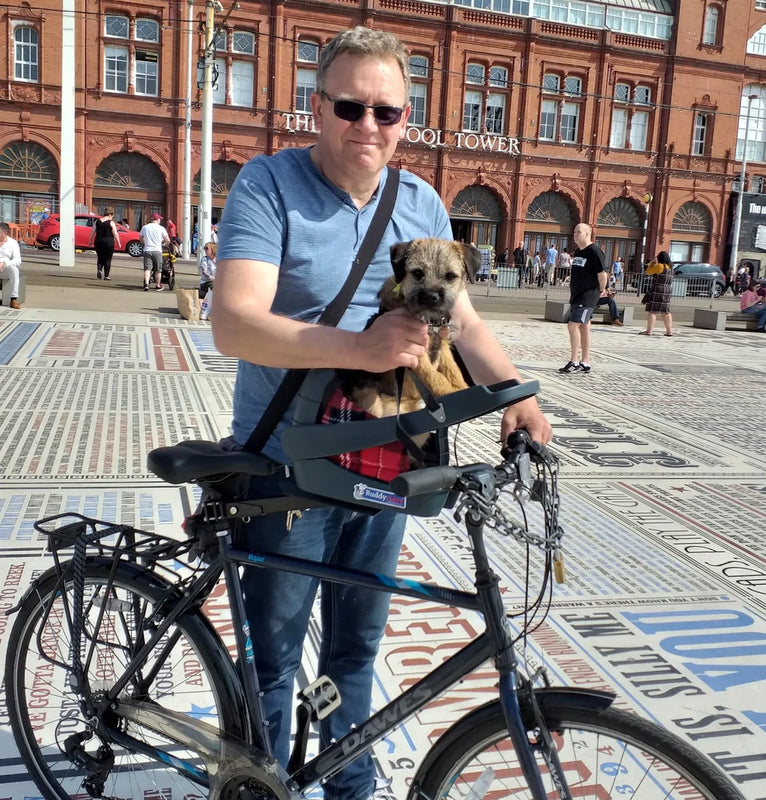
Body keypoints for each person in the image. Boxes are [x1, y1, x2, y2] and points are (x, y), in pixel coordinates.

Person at [212, 26, 552, 800]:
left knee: (354, 651)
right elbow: (234, 323)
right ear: (317, 108)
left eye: (387, 112)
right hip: (287, 468)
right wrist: (362, 349)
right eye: (350, 106)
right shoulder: (270, 185)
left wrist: (520, 394)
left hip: (382, 464)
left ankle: (347, 786)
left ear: (406, 119)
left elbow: (461, 319)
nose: (368, 125)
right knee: (274, 658)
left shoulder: (420, 201)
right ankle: (261, 786)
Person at [559, 222, 606, 374]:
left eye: (578, 232)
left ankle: (574, 361)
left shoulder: (594, 251)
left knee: (572, 325)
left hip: (588, 295)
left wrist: (600, 290)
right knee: (584, 326)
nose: (575, 234)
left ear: (587, 234)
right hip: (577, 294)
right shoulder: (578, 252)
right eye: (574, 232)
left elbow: (602, 274)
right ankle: (585, 362)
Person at [640, 250, 674, 336]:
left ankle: (649, 331)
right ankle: (669, 331)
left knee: (652, 311)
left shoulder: (659, 266)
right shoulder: (670, 268)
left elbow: (647, 272)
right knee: (666, 311)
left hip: (657, 290)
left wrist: (652, 263)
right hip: (667, 290)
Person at [139, 212, 169, 291]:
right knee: (158, 270)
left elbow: (141, 238)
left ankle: (146, 284)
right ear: (158, 220)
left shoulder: (145, 227)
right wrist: (164, 243)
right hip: (157, 250)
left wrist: (145, 243)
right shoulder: (161, 228)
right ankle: (158, 285)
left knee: (147, 269)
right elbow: (167, 240)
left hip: (147, 250)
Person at [93, 206, 121, 280]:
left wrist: (90, 241)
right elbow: (115, 233)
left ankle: (99, 269)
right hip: (108, 241)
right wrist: (118, 242)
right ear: (110, 214)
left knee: (100, 257)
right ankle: (106, 276)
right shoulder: (111, 222)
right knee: (108, 258)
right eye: (113, 216)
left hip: (98, 241)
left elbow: (93, 232)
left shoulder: (97, 221)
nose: (113, 218)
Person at [0, 222, 23, 309]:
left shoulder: (12, 243)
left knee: (14, 270)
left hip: (5, 268)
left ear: (5, 233)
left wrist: (5, 264)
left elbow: (18, 260)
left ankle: (13, 299)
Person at [198, 241, 217, 320]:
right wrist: (213, 278)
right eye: (204, 248)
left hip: (218, 282)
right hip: (206, 282)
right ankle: (210, 313)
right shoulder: (204, 259)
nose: (205, 250)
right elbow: (204, 271)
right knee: (214, 287)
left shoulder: (219, 260)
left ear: (213, 249)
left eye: (207, 248)